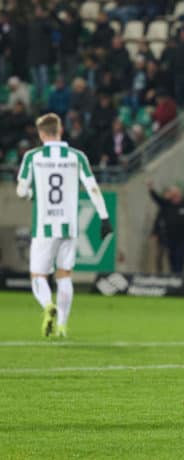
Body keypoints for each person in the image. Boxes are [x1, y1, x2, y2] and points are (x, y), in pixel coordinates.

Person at [16, 113, 112, 337]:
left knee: (38, 276)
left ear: (41, 134)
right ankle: (62, 326)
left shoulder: (33, 156)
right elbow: (93, 187)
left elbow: (21, 191)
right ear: (60, 130)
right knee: (64, 274)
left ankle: (48, 305)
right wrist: (104, 217)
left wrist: (32, 194)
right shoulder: (77, 156)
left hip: (44, 225)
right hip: (68, 226)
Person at [147, 182, 184, 275]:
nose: (174, 196)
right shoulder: (167, 205)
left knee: (181, 258)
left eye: (175, 193)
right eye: (172, 194)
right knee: (172, 259)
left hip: (183, 239)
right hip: (170, 238)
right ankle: (174, 276)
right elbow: (157, 199)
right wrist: (151, 189)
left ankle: (179, 277)